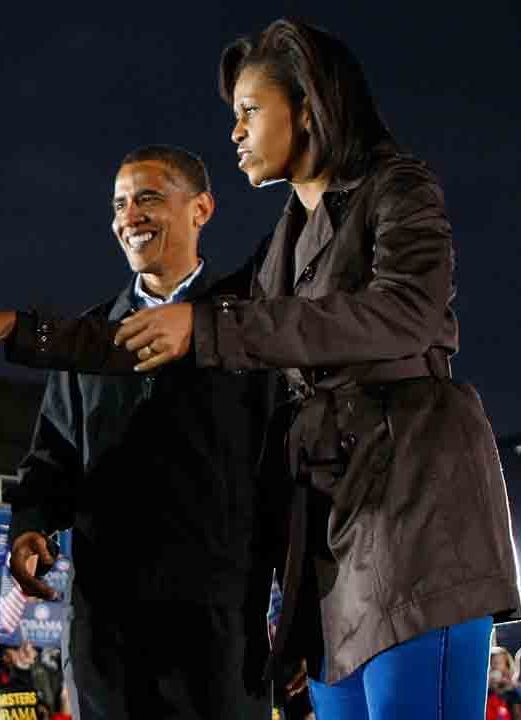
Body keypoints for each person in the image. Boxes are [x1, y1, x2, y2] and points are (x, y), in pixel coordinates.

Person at [88, 18, 519, 719]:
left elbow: (405, 312)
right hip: (326, 548)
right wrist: (21, 330)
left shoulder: (399, 187)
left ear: (309, 107)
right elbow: (176, 315)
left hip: (417, 516)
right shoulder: (282, 243)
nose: (234, 132)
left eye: (249, 111)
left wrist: (210, 326)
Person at [0, 146, 272, 719]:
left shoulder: (251, 328)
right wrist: (29, 527)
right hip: (107, 634)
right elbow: (52, 460)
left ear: (202, 209)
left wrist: (297, 624)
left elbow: (281, 475)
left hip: (220, 633)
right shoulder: (88, 338)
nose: (129, 216)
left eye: (148, 198)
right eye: (119, 203)